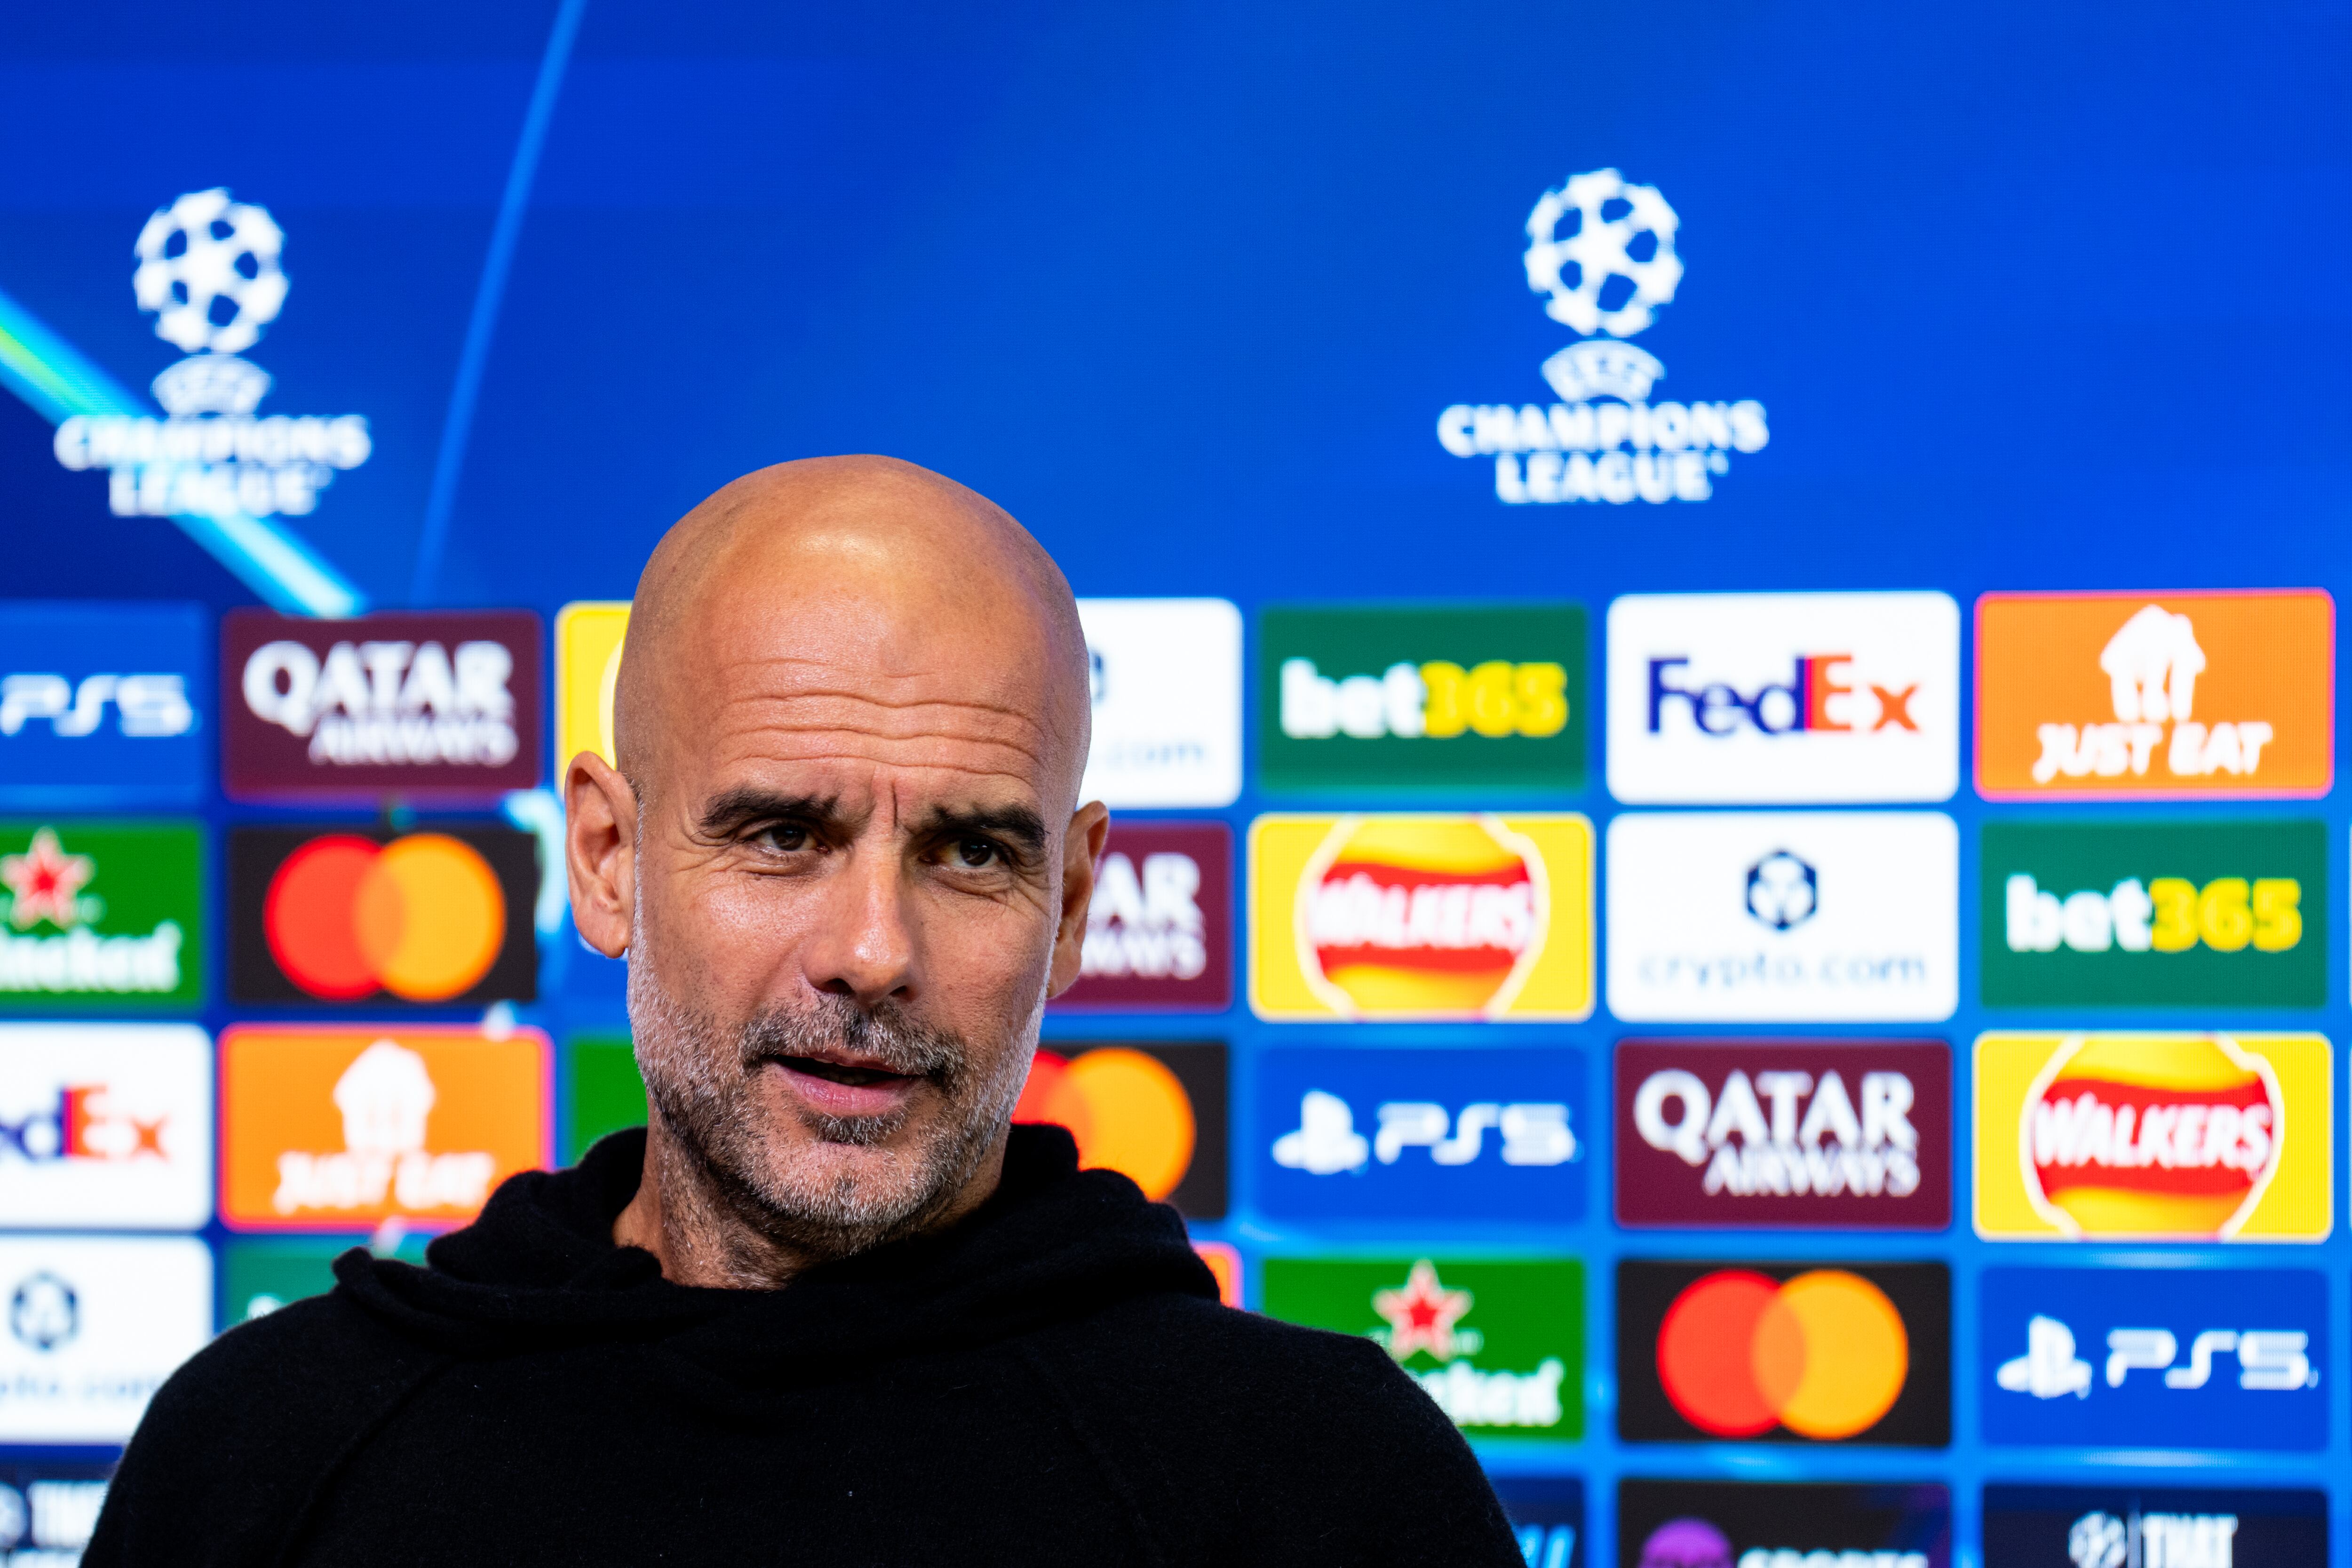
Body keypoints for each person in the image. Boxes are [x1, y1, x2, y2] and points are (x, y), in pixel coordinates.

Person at [89, 457, 1524, 1566]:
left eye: (972, 851)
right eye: (782, 835)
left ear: (1076, 903)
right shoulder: (264, 1458)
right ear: (605, 859)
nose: (871, 950)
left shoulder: (1326, 1489)